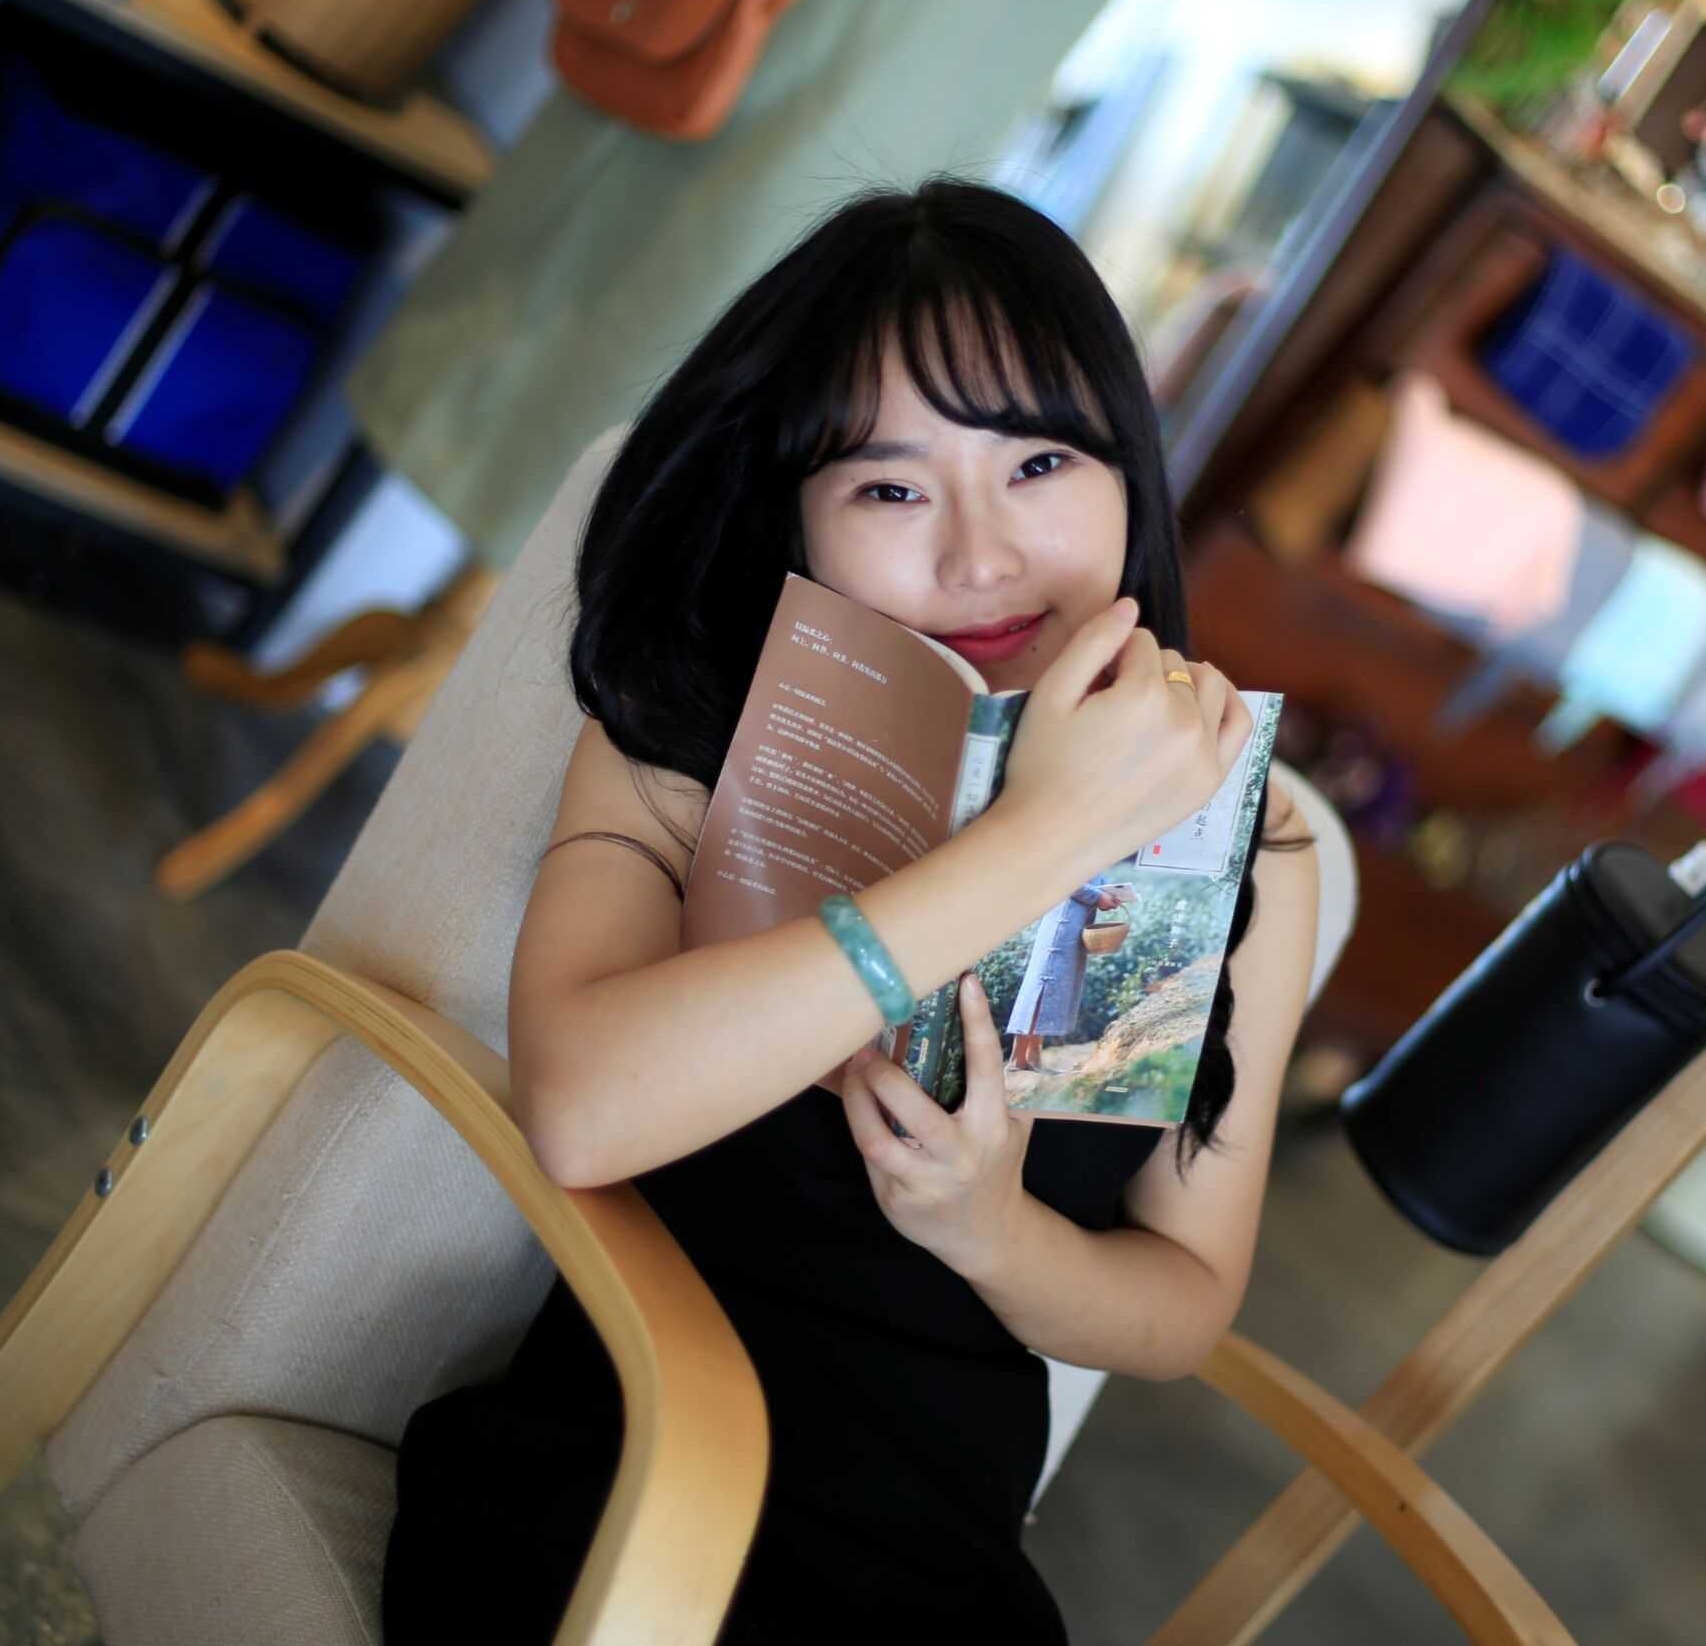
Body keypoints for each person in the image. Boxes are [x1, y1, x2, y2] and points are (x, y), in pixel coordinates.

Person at [380, 179, 1319, 1645]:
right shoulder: (684, 732)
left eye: (1040, 463)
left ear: (1131, 473)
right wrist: (1041, 837)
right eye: (889, 488)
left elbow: (1184, 1301)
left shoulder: (1255, 839)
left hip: (938, 1585)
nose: (979, 555)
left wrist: (992, 1231)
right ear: (799, 517)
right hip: (623, 1507)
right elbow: (582, 1110)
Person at [1006, 876, 1131, 1071]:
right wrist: (1099, 896)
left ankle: (1033, 1057)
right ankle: (1017, 1060)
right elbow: (1068, 881)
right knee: (1042, 985)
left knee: (1051, 989)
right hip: (1061, 924)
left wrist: (1107, 898)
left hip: (1073, 925)